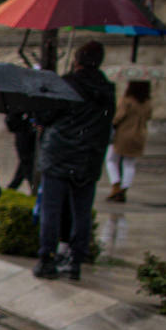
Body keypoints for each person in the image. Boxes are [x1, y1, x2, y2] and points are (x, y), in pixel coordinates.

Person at [32, 40, 114, 281]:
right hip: (88, 158)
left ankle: (47, 257)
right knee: (82, 211)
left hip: (59, 155)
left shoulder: (67, 84)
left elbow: (45, 116)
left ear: (77, 60)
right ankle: (75, 259)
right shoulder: (106, 90)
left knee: (52, 210)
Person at [106, 80, 152, 203]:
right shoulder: (147, 102)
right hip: (139, 135)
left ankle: (116, 185)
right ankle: (124, 188)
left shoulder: (127, 100)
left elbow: (118, 117)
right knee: (129, 163)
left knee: (111, 160)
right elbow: (148, 116)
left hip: (123, 135)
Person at [4, 109, 37, 192]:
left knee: (26, 165)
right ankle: (33, 190)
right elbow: (11, 121)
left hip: (31, 138)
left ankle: (12, 188)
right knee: (27, 163)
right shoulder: (21, 106)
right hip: (25, 137)